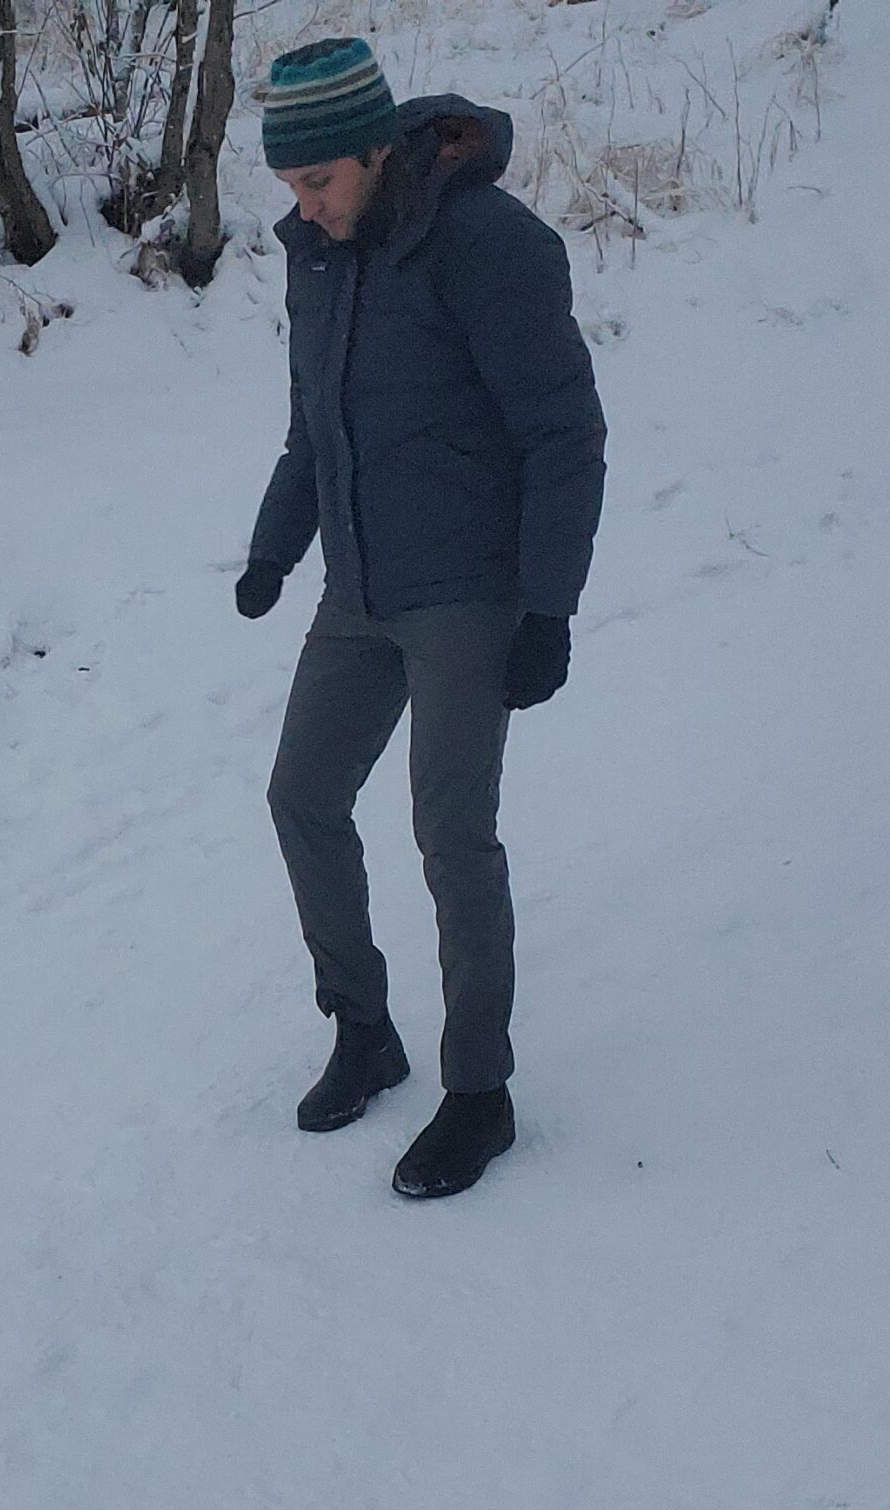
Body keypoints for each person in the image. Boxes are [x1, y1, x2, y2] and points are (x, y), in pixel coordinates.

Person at [239, 37, 607, 1199]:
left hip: (465, 591)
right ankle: (363, 1026)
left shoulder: (489, 245)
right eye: (290, 188)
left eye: (317, 182)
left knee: (451, 837)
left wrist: (544, 608)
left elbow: (564, 433)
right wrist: (271, 548)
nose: (301, 207)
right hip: (358, 588)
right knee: (301, 796)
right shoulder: (321, 255)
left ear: (374, 152)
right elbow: (314, 432)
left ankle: (478, 1092)